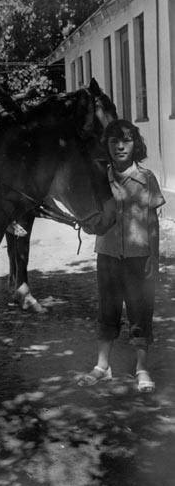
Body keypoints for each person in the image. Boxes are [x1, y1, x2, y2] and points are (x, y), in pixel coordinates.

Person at [77, 120, 165, 393]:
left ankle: (142, 368)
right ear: (107, 146)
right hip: (108, 255)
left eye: (126, 140)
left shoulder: (146, 178)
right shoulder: (100, 178)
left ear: (135, 144)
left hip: (139, 257)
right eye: (114, 141)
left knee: (140, 312)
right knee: (108, 310)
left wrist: (154, 259)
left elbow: (153, 223)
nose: (120, 146)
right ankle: (103, 366)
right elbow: (90, 215)